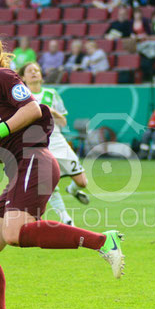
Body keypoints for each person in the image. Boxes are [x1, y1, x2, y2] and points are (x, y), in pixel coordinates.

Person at [0, 33, 124, 309]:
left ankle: (103, 241)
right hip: (18, 169)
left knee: (15, 233)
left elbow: (31, 109)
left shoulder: (0, 77)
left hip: (36, 158)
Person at [19, 62, 90, 225]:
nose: (34, 73)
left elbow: (63, 122)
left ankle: (72, 189)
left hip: (58, 142)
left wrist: (51, 111)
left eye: (37, 70)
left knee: (82, 182)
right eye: (30, 71)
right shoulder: (21, 97)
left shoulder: (51, 94)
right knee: (48, 182)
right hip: (38, 146)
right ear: (23, 77)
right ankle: (66, 217)